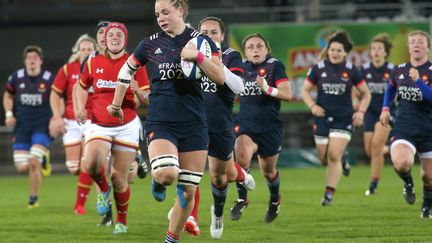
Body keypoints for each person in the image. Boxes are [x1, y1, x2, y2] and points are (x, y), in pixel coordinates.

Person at [108, 0, 225, 241]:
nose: (160, 17)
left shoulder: (201, 42)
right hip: (162, 121)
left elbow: (220, 78)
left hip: (194, 123)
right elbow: (125, 71)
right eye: (157, 14)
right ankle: (158, 181)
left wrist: (198, 58)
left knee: (188, 191)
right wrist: (117, 104)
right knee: (167, 174)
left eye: (165, 12)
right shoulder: (150, 43)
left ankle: (171, 239)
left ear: (180, 11)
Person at [166, 16, 256, 238]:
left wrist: (215, 64)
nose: (208, 36)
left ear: (222, 36)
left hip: (220, 124)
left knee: (221, 175)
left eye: (214, 32)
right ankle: (191, 217)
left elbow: (238, 87)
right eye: (204, 32)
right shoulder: (189, 53)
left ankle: (224, 202)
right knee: (191, 174)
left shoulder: (232, 55)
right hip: (194, 123)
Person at [75, 22, 148, 234]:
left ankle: (121, 222)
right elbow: (81, 87)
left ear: (125, 39)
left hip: (126, 125)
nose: (115, 37)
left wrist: (139, 93)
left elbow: (145, 97)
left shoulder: (136, 62)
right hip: (99, 123)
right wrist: (80, 107)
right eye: (110, 35)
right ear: (104, 40)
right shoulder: (92, 61)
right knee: (91, 164)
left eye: (119, 34)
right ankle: (102, 189)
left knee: (119, 178)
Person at [301, 31, 371, 206]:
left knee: (333, 155)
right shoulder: (318, 68)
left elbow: (366, 94)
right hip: (322, 118)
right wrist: (313, 106)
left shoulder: (351, 70)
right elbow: (304, 91)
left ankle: (329, 194)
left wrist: (360, 112)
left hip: (344, 118)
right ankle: (343, 157)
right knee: (324, 158)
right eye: (332, 49)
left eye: (339, 50)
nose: (335, 53)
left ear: (345, 53)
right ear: (328, 50)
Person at [230, 33, 291, 223]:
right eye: (250, 47)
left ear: (267, 49)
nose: (255, 50)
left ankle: (274, 200)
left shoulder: (275, 66)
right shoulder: (241, 68)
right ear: (245, 52)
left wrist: (268, 88)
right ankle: (242, 200)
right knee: (241, 160)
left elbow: (287, 94)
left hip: (270, 127)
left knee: (268, 172)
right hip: (246, 124)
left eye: (259, 46)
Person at [380, 30, 432, 218]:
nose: (416, 44)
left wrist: (419, 81)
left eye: (420, 42)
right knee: (402, 163)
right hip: (405, 127)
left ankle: (427, 203)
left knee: (429, 177)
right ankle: (408, 182)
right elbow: (391, 88)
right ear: (409, 47)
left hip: (428, 130)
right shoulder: (399, 70)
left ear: (428, 47)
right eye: (412, 42)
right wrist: (385, 108)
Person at [50, 34, 97, 215]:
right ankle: (89, 175)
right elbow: (55, 94)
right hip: (71, 120)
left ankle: (79, 205)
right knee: (73, 168)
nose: (86, 52)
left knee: (88, 163)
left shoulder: (98, 66)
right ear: (77, 52)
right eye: (83, 49)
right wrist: (57, 117)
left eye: (89, 49)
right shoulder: (68, 69)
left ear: (95, 51)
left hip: (92, 120)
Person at [3, 45, 54, 208]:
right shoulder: (16, 77)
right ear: (25, 61)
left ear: (40, 60)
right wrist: (9, 114)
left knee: (33, 162)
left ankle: (33, 198)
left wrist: (57, 118)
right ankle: (43, 159)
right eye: (29, 57)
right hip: (22, 126)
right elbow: (8, 95)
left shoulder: (49, 78)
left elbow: (57, 98)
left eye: (35, 57)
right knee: (21, 167)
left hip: (42, 125)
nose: (32, 60)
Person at [359, 33, 394, 196]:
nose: (376, 51)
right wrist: (355, 102)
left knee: (376, 145)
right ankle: (393, 148)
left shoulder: (392, 70)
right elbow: (356, 89)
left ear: (385, 52)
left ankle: (373, 185)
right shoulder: (364, 70)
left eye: (379, 48)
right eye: (373, 48)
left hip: (386, 112)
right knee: (370, 151)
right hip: (369, 111)